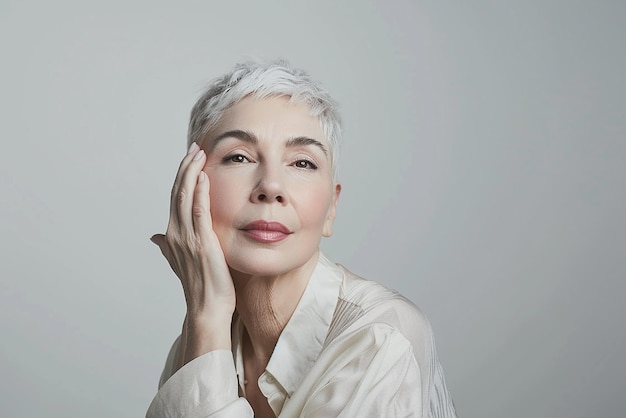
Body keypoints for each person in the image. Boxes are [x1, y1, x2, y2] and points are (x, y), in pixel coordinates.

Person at [146, 60, 457, 418]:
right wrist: (208, 316)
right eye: (239, 157)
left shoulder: (380, 338)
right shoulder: (201, 339)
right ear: (188, 189)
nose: (271, 187)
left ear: (331, 208)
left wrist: (207, 313)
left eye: (303, 163)